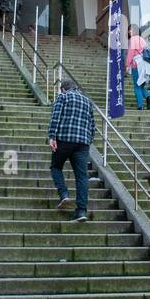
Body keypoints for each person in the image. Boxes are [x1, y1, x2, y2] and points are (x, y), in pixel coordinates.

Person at [48, 77, 96, 222]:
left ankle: (64, 194)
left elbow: (55, 118)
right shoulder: (87, 101)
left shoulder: (62, 97)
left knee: (56, 166)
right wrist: (88, 140)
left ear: (63, 88)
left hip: (64, 139)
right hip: (82, 143)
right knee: (82, 177)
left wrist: (52, 136)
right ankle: (81, 211)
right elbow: (92, 125)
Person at [125, 24, 150, 111]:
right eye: (129, 30)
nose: (129, 32)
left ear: (134, 31)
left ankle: (140, 106)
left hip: (136, 64)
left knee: (137, 86)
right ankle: (148, 96)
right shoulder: (142, 39)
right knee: (141, 84)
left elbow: (130, 53)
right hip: (144, 64)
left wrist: (127, 65)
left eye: (130, 30)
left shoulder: (133, 39)